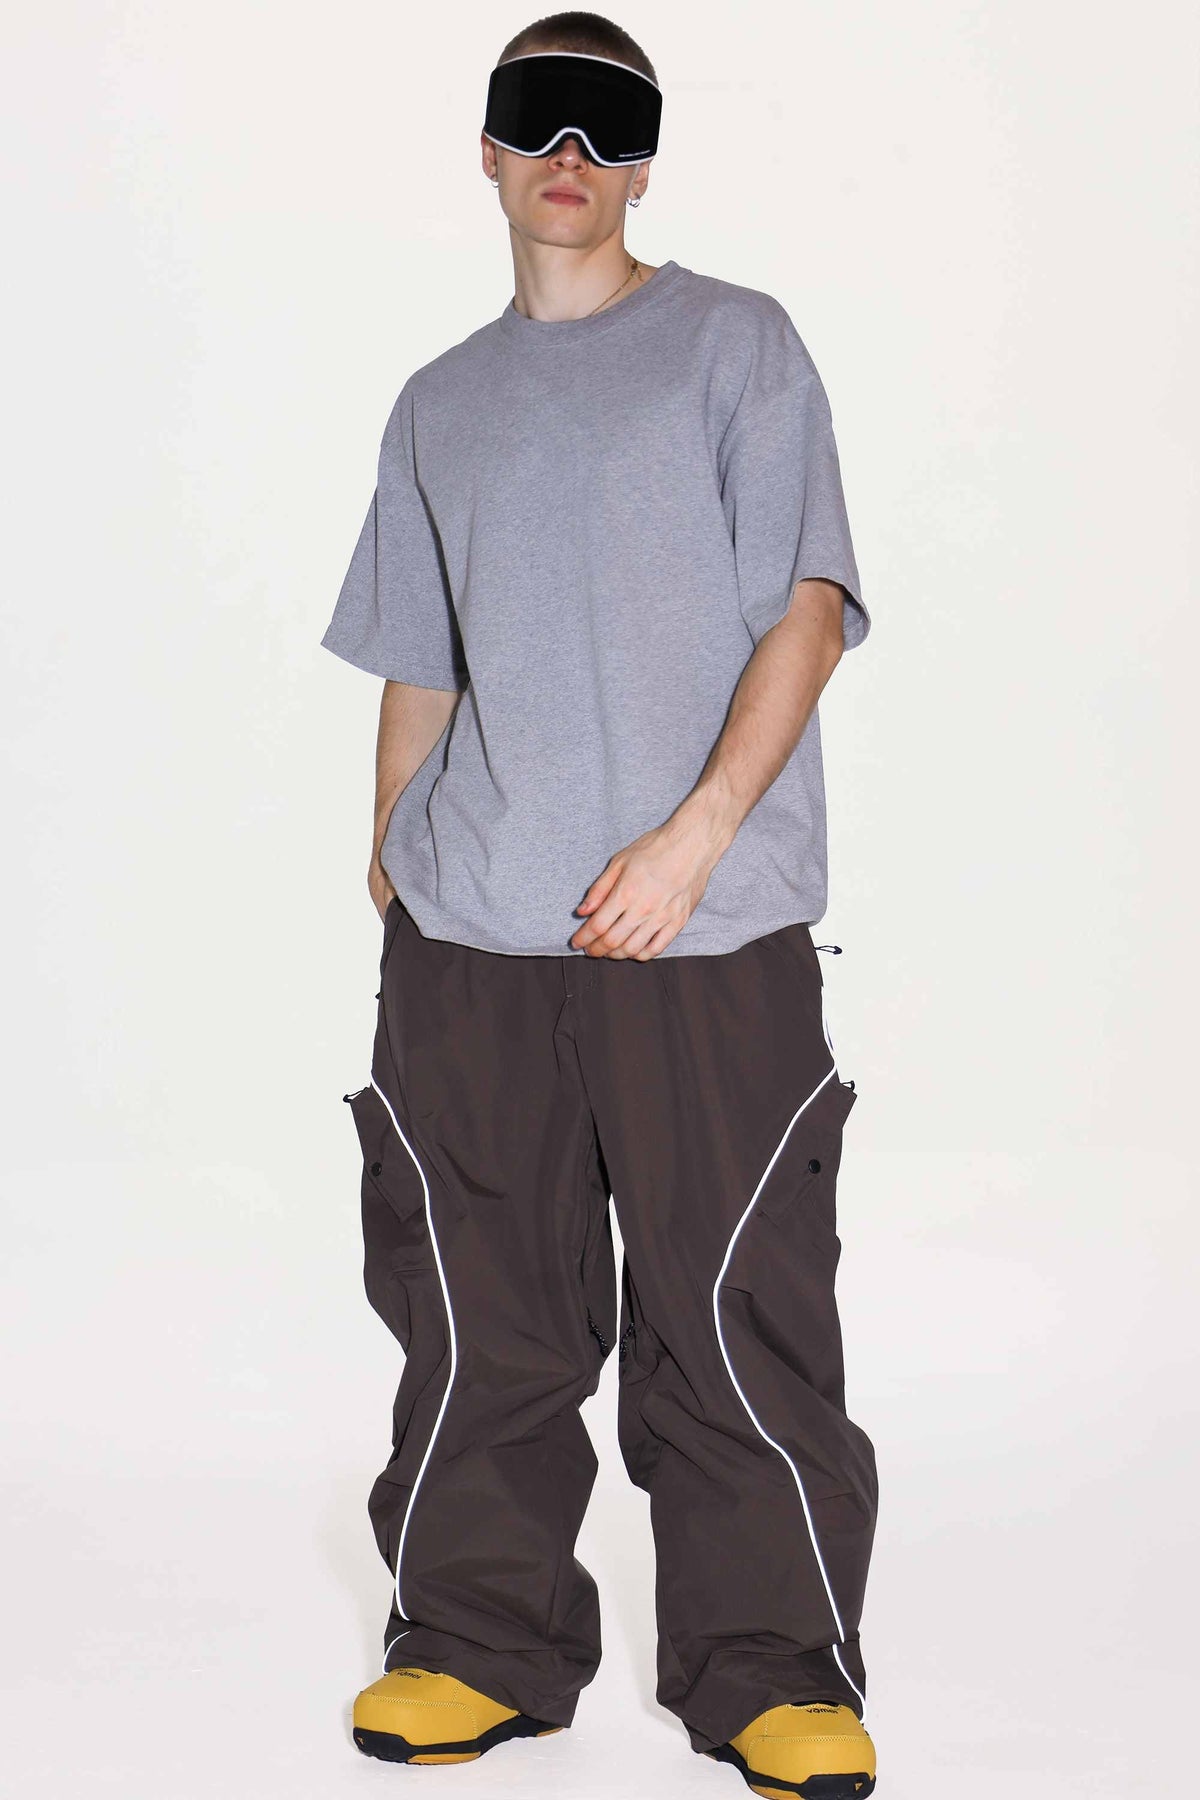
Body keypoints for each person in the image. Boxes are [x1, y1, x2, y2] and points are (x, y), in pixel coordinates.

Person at [320, 13, 879, 1798]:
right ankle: (473, 1644)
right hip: (475, 941)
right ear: (489, 152)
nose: (569, 155)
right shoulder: (440, 401)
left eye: (606, 127)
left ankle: (772, 1668)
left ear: (642, 162)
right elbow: (419, 653)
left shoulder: (734, 345)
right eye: (536, 124)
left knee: (731, 1305)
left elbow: (807, 609)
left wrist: (696, 836)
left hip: (701, 933)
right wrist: (395, 852)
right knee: (476, 1309)